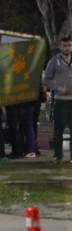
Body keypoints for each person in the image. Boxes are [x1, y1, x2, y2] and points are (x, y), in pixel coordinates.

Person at [44, 36, 72, 164]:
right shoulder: (54, 61)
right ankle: (58, 156)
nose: (67, 48)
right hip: (60, 100)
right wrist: (58, 87)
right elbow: (46, 80)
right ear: (60, 47)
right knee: (58, 130)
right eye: (64, 46)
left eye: (69, 45)